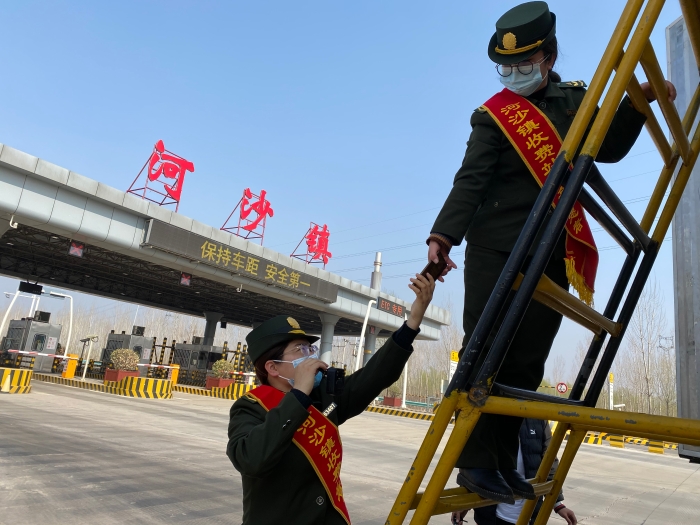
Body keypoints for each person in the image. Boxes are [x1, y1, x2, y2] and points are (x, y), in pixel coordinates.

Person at [426, 1, 677, 504]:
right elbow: (469, 182)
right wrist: (442, 237)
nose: (514, 75)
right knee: (484, 349)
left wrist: (636, 101)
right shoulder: (493, 117)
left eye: (524, 64)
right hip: (497, 247)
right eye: (506, 67)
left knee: (525, 364)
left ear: (549, 56)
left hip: (552, 250)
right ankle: (474, 464)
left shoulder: (573, 101)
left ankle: (498, 464)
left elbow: (606, 146)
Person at [226, 273, 435, 525]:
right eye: (299, 350)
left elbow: (374, 377)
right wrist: (298, 395)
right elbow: (250, 459)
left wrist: (412, 322)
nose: (309, 355)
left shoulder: (323, 397)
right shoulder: (250, 408)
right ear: (273, 368)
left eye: (309, 348)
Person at [451, 419, 577, 525]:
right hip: (493, 514)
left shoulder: (538, 419)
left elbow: (550, 463)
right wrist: (465, 503)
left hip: (530, 512)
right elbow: (476, 464)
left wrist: (557, 503)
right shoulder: (490, 418)